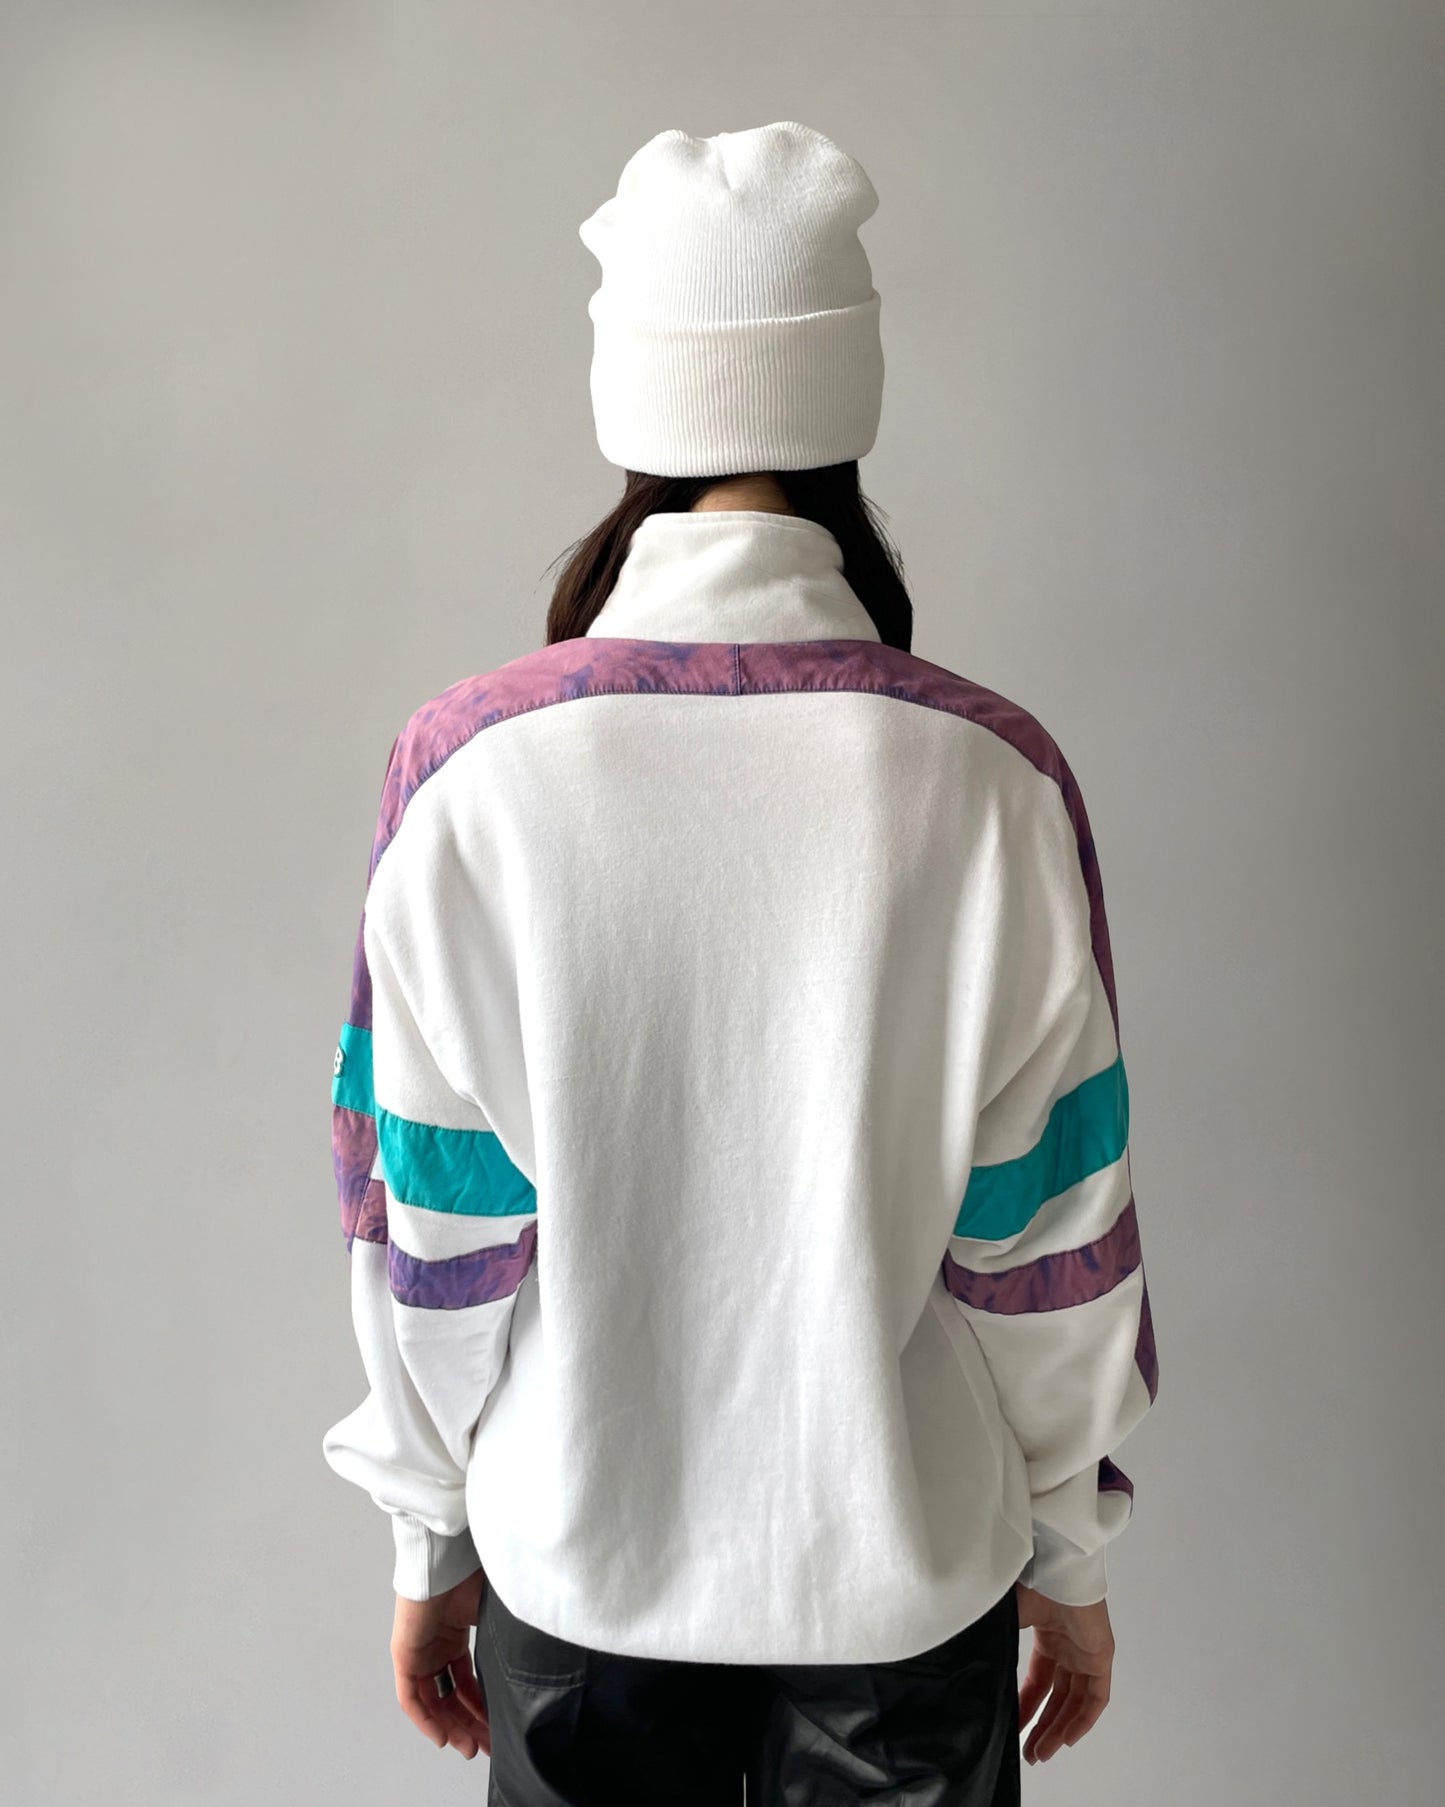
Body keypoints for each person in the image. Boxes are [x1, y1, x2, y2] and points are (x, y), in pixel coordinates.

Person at [321, 121, 1159, 1805]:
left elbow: (431, 1223)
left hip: (579, 1589)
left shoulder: (471, 772)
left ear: (629, 401)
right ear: (846, 401)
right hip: (903, 1592)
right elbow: (1048, 1232)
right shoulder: (989, 776)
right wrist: (1067, 1549)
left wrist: (427, 1538)